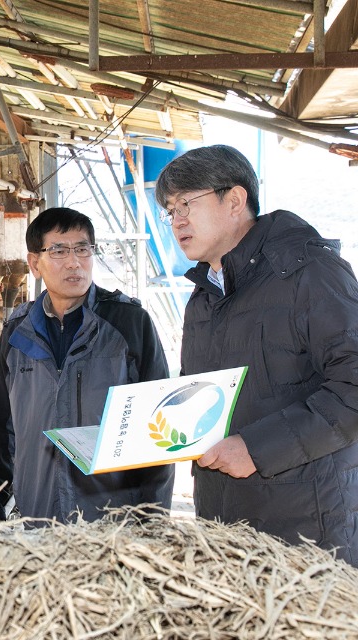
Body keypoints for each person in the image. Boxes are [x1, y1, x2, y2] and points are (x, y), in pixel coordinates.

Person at [155, 144, 358, 565]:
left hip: (307, 534)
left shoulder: (310, 274)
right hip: (223, 527)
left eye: (185, 204)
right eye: (170, 211)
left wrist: (258, 448)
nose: (176, 221)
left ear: (234, 200)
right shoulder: (203, 298)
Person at [0, 207, 174, 523]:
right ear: (34, 264)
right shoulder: (17, 332)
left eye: (83, 249)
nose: (74, 262)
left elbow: (159, 430)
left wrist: (152, 521)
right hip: (36, 519)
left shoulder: (129, 324)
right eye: (58, 250)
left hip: (111, 522)